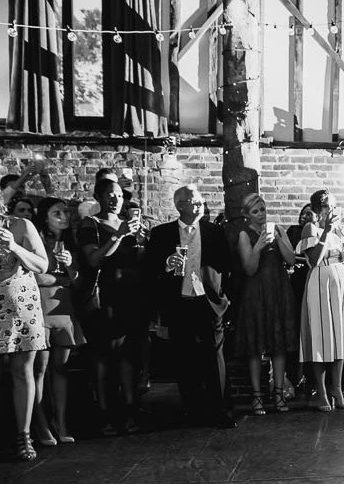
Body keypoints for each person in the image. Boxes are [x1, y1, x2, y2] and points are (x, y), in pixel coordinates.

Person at [144, 184, 235, 429]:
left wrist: (224, 299)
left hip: (208, 302)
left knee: (214, 355)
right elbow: (149, 269)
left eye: (200, 201)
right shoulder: (162, 233)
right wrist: (166, 264)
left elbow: (227, 264)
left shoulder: (214, 231)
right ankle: (192, 409)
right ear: (180, 205)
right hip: (179, 302)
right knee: (184, 358)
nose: (199, 205)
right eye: (193, 201)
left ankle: (219, 410)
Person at [77, 179, 145, 436]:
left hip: (129, 294)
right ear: (98, 197)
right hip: (104, 295)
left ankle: (129, 410)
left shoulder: (127, 224)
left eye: (119, 196)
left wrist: (138, 240)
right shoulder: (91, 224)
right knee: (103, 355)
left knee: (128, 354)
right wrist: (119, 235)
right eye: (110, 195)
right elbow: (94, 258)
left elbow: (138, 260)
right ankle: (104, 413)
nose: (116, 200)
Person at [236, 193, 297, 415]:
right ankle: (257, 397)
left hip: (279, 291)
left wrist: (280, 240)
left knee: (279, 346)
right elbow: (249, 268)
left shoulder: (278, 229)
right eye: (255, 211)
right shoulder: (245, 235)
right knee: (255, 347)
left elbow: (291, 259)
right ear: (247, 215)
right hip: (256, 294)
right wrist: (259, 245)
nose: (261, 214)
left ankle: (279, 394)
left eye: (263, 209)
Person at [298, 189, 344, 411]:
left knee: (341, 335)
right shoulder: (311, 228)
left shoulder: (341, 230)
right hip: (320, 281)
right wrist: (326, 232)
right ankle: (322, 392)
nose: (332, 209)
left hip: (339, 281)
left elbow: (343, 259)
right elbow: (314, 260)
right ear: (317, 209)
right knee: (322, 337)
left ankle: (338, 388)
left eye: (334, 205)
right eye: (327, 206)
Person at [31, 198, 86, 445]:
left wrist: (71, 267)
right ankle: (41, 425)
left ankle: (62, 422)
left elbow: (77, 283)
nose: (64, 216)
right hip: (40, 309)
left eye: (65, 212)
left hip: (64, 310)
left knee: (60, 369)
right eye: (57, 212)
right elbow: (35, 278)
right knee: (39, 370)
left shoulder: (69, 243)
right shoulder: (35, 242)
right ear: (45, 217)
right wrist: (61, 278)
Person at [0, 199, 49, 461]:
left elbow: (43, 266)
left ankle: (24, 436)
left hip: (20, 305)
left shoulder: (20, 225)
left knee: (22, 370)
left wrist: (14, 246)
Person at [286, 203, 317, 396]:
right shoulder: (293, 231)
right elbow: (289, 255)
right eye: (303, 213)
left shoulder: (318, 233)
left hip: (313, 278)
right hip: (296, 283)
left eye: (310, 214)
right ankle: (295, 376)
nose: (305, 216)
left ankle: (312, 379)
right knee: (297, 330)